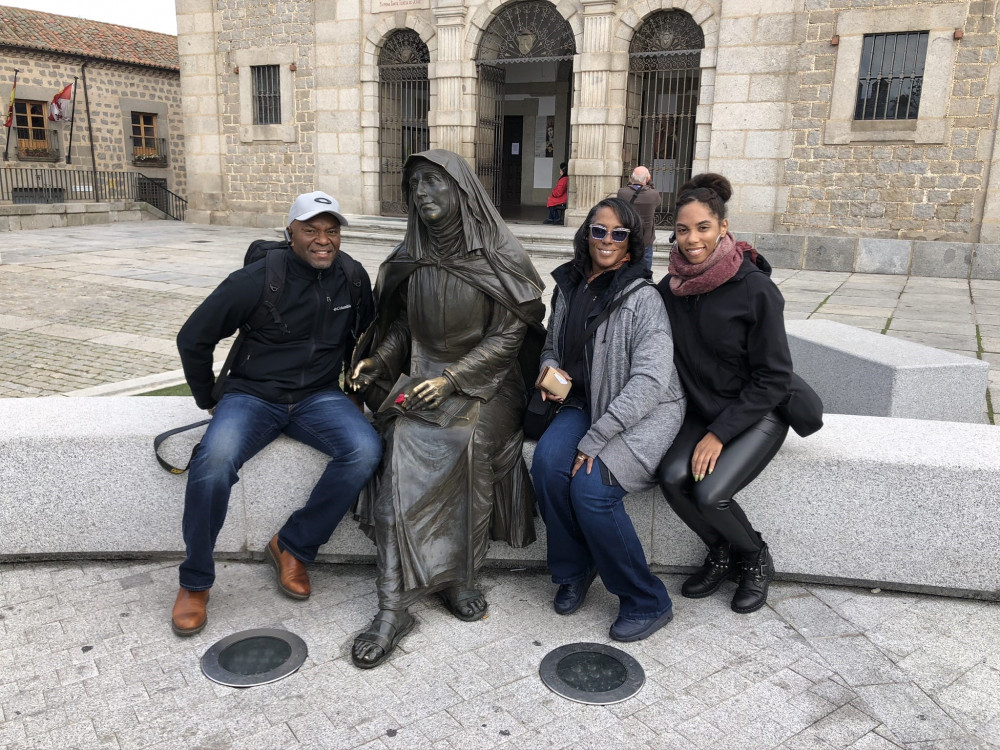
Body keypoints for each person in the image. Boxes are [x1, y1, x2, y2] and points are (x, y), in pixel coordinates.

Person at [348, 149, 546, 668]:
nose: (423, 194)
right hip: (422, 378)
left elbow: (510, 336)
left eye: (434, 183)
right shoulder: (410, 258)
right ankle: (392, 607)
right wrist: (377, 361)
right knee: (398, 450)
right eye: (415, 185)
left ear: (461, 191)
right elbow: (401, 329)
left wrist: (454, 378)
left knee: (469, 443)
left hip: (489, 384)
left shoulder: (499, 256)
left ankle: (461, 577)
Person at [171, 191, 381, 637]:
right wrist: (207, 396)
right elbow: (193, 337)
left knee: (365, 450)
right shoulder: (257, 278)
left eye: (331, 230)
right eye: (311, 229)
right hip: (253, 396)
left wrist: (359, 395)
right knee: (211, 464)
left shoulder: (353, 277)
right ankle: (195, 582)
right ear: (291, 232)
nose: (323, 240)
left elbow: (368, 341)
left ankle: (294, 545)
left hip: (318, 397)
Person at [529, 197, 686, 642]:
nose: (608, 240)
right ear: (587, 234)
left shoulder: (643, 300)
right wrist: (549, 369)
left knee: (592, 488)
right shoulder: (569, 285)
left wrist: (594, 441)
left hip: (643, 414)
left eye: (619, 234)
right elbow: (552, 344)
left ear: (631, 244)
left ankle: (647, 599)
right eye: (600, 230)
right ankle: (575, 569)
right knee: (546, 465)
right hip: (584, 403)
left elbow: (650, 383)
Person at [656, 173, 792, 614]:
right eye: (682, 229)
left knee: (710, 492)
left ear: (723, 229)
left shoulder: (755, 289)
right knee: (673, 478)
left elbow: (774, 377)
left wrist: (718, 433)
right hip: (705, 409)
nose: (692, 239)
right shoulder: (672, 288)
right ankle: (721, 550)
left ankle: (754, 556)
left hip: (757, 411)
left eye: (703, 228)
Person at [617, 166, 659, 272]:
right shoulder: (653, 194)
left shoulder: (622, 193)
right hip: (646, 237)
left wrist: (631, 182)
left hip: (628, 236)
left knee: (626, 265)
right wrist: (649, 182)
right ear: (648, 178)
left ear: (631, 178)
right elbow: (658, 203)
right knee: (646, 267)